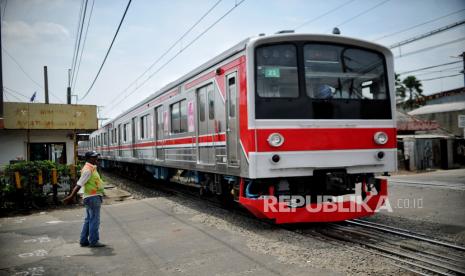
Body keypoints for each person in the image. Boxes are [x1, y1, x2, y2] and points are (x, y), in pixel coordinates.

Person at [63, 151, 106, 247]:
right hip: (92, 198)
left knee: (88, 220)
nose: (96, 159)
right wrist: (71, 196)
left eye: (96, 157)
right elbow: (79, 184)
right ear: (88, 159)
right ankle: (94, 241)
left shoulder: (92, 168)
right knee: (94, 220)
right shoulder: (88, 170)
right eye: (94, 157)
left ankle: (83, 240)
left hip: (91, 197)